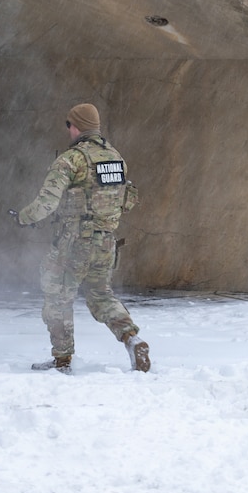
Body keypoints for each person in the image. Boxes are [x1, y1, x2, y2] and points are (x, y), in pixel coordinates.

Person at [14, 103, 148, 373]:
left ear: (75, 126)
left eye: (68, 125)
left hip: (75, 243)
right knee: (101, 295)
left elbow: (46, 203)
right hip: (106, 242)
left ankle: (62, 360)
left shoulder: (71, 159)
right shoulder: (116, 157)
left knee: (57, 297)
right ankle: (132, 339)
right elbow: (127, 200)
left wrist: (23, 217)